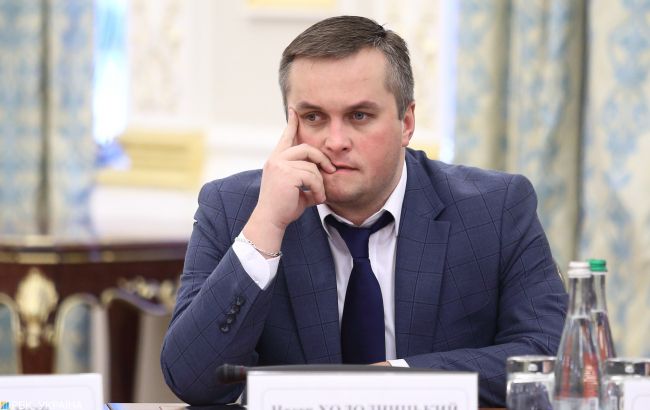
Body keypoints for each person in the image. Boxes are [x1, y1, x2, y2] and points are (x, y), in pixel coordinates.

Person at [160, 15, 568, 407]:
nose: (335, 141)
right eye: (314, 117)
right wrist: (266, 226)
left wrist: (396, 381)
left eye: (359, 116)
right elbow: (193, 381)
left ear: (406, 122)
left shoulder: (495, 208)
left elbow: (554, 359)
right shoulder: (235, 209)